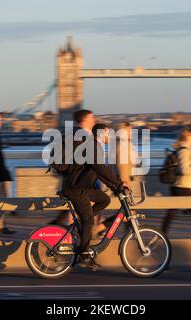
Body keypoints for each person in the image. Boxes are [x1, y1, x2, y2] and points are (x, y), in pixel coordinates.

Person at [61, 109, 125, 270]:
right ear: (100, 134)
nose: (108, 138)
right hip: (76, 189)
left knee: (105, 199)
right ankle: (83, 256)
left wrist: (115, 187)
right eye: (107, 135)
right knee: (89, 220)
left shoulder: (94, 146)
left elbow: (99, 172)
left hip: (80, 188)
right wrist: (117, 184)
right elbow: (101, 169)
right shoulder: (92, 146)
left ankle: (85, 223)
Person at [161, 127, 191, 236]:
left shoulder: (186, 150)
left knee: (173, 212)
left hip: (181, 185)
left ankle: (162, 233)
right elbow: (184, 170)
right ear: (187, 136)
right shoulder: (184, 151)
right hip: (183, 186)